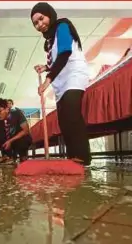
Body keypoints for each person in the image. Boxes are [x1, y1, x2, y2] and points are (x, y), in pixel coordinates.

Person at [30, 2, 91, 166]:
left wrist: (47, 81)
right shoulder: (49, 41)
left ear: (49, 14)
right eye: (35, 23)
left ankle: (82, 156)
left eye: (41, 19)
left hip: (74, 75)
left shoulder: (62, 26)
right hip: (61, 81)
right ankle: (73, 158)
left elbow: (65, 54)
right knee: (64, 121)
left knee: (72, 114)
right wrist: (46, 67)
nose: (39, 24)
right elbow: (57, 59)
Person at [0, 98, 32, 163]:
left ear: (7, 109)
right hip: (9, 144)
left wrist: (10, 141)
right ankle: (7, 155)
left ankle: (23, 156)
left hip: (21, 141)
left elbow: (26, 130)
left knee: (24, 137)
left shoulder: (17, 114)